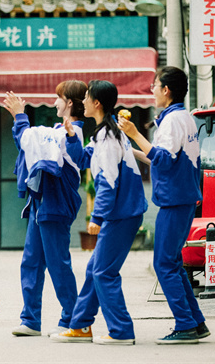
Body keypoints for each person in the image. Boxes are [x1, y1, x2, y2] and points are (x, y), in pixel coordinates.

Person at [52, 80, 147, 345]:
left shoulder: (108, 136)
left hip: (121, 214)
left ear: (97, 104)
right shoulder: (104, 134)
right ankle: (81, 325)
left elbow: (108, 181)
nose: (82, 101)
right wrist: (72, 137)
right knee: (96, 269)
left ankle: (121, 331)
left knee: (103, 272)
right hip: (124, 212)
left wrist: (97, 217)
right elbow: (83, 160)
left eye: (87, 97)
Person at [118, 67, 208, 344]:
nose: (151, 90)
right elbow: (160, 159)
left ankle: (185, 324)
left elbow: (165, 160)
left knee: (164, 264)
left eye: (154, 85)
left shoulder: (171, 121)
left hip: (175, 199)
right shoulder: (183, 118)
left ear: (166, 90)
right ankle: (196, 322)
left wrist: (134, 133)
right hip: (181, 197)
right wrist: (130, 147)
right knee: (173, 263)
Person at [2, 80, 87, 337]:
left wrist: (20, 115)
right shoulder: (60, 130)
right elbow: (31, 142)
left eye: (58, 98)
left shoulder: (72, 133)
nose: (55, 102)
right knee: (31, 262)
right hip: (43, 204)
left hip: (56, 205)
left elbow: (26, 140)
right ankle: (30, 320)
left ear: (69, 103)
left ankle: (73, 320)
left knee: (58, 264)